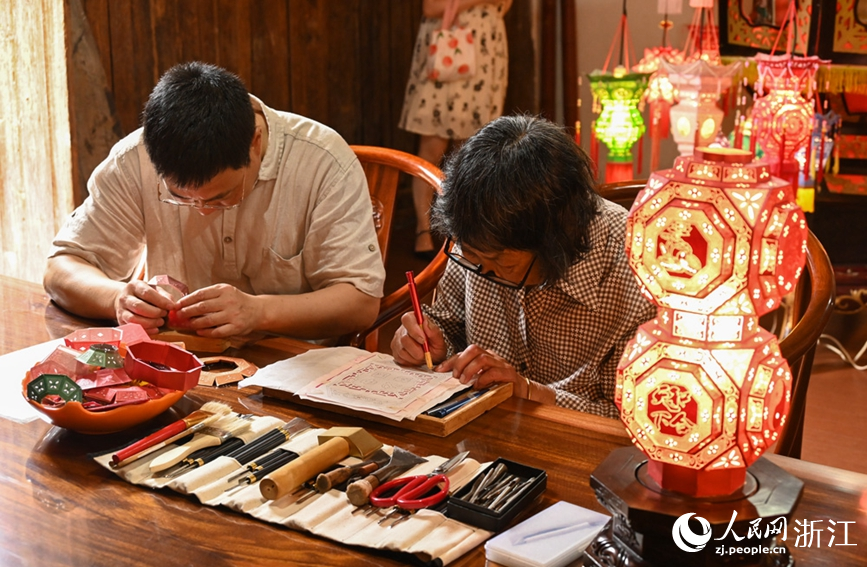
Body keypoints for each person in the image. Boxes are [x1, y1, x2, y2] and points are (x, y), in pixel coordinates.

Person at [44, 62, 385, 340]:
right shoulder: (135, 159)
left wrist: (259, 312)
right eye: (180, 198)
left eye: (222, 197)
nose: (203, 209)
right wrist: (117, 297)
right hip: (181, 361)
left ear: (255, 142)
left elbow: (360, 302)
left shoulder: (322, 162)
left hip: (295, 368)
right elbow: (62, 267)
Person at [391, 115, 656, 418]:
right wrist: (430, 344)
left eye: (500, 262)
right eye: (473, 257)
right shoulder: (480, 238)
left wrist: (531, 392)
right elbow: (449, 325)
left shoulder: (637, 275)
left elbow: (636, 422)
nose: (482, 271)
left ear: (554, 243)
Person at [400, 0, 511, 258]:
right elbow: (431, 7)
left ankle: (467, 229)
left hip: (484, 55)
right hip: (448, 46)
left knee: (473, 148)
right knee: (432, 143)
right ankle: (422, 230)